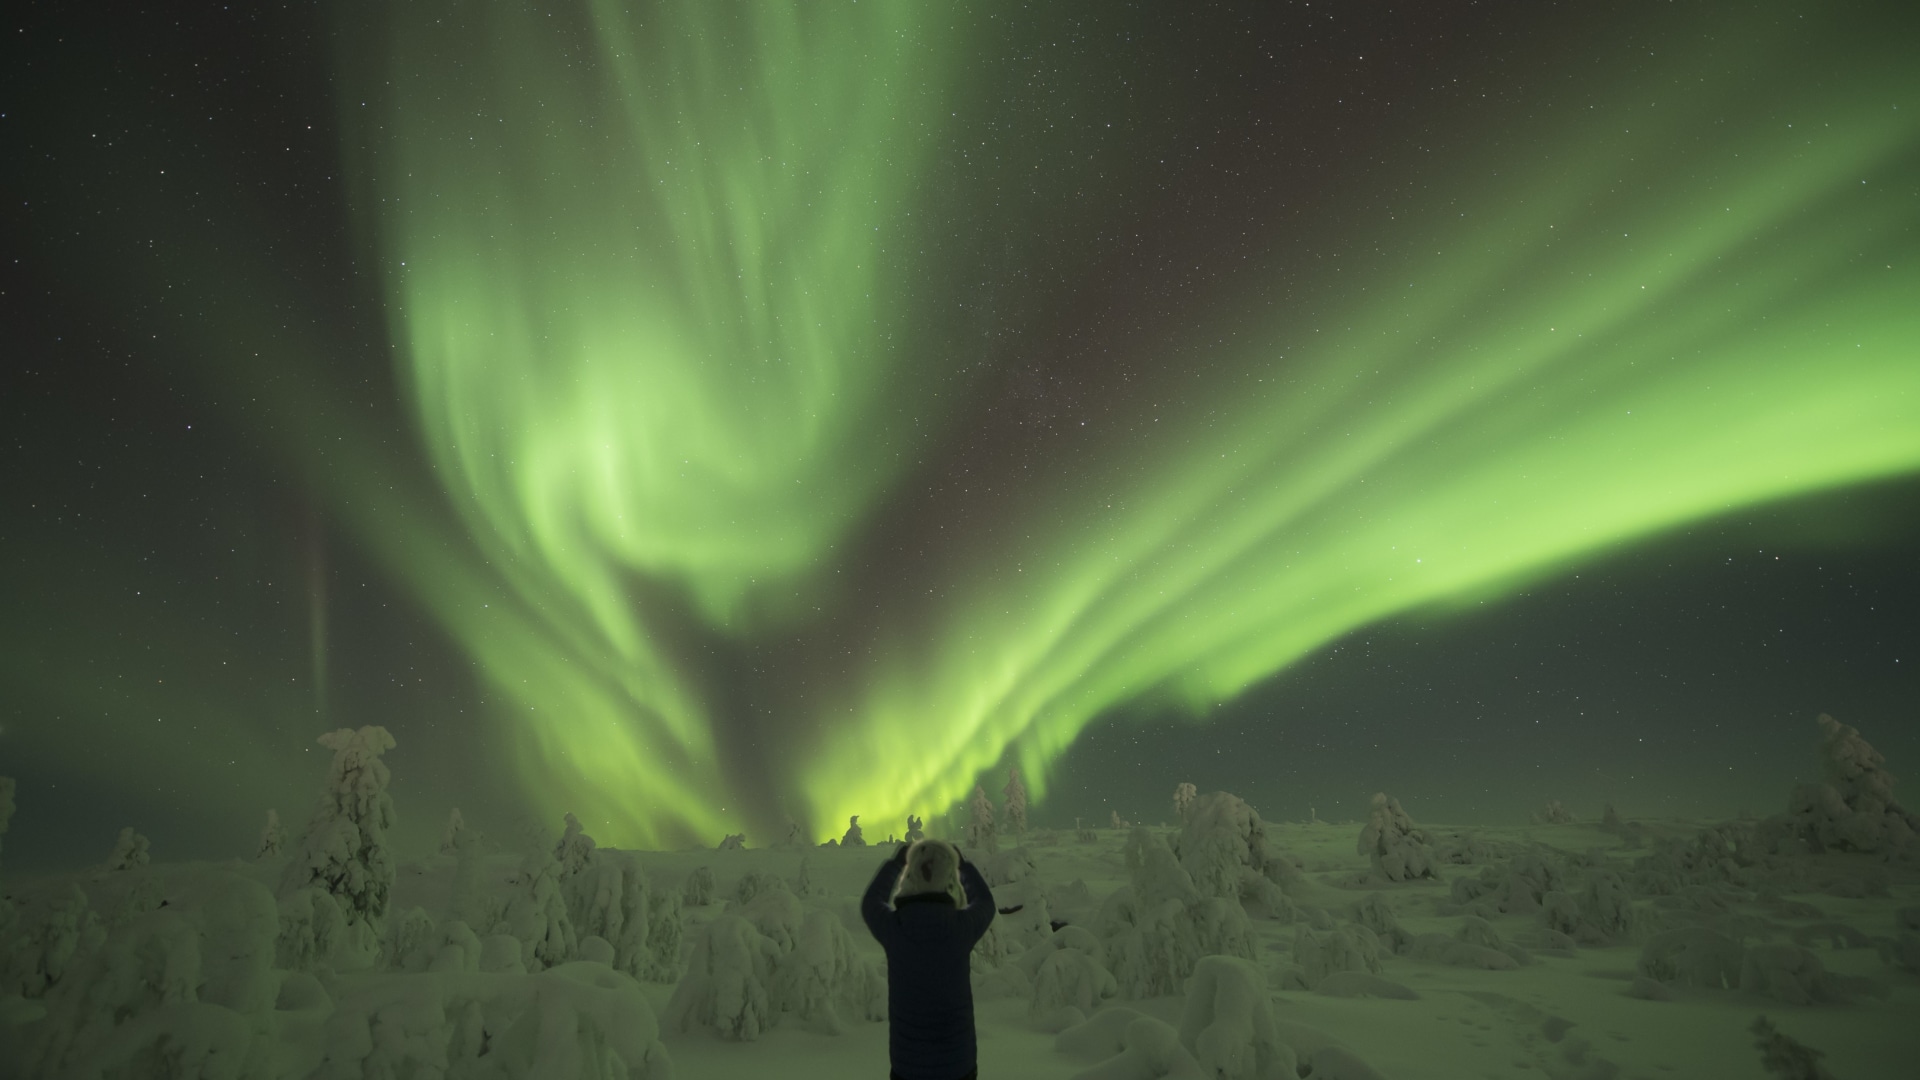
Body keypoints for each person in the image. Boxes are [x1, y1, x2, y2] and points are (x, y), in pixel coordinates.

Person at [861, 837, 995, 1080]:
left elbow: (871, 903)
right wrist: (963, 866)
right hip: (958, 1067)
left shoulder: (895, 929)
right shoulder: (961, 928)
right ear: (949, 879)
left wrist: (895, 864)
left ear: (909, 875)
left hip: (907, 1068)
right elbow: (985, 902)